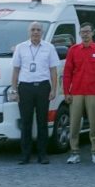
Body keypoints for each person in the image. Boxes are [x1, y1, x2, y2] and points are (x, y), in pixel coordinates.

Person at [11, 21, 60, 165]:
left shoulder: (49, 48)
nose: (36, 32)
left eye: (38, 30)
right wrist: (14, 90)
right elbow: (16, 70)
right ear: (29, 32)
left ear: (42, 32)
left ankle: (42, 155)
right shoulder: (20, 48)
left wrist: (53, 89)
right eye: (33, 29)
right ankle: (25, 155)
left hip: (43, 87)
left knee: (42, 122)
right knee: (26, 122)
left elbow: (53, 70)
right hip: (25, 88)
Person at [64, 23, 95, 165]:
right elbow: (67, 73)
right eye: (82, 32)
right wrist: (66, 92)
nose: (85, 34)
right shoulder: (73, 50)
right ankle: (74, 152)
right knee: (74, 124)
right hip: (76, 92)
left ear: (93, 33)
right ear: (79, 34)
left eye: (87, 32)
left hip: (94, 92)